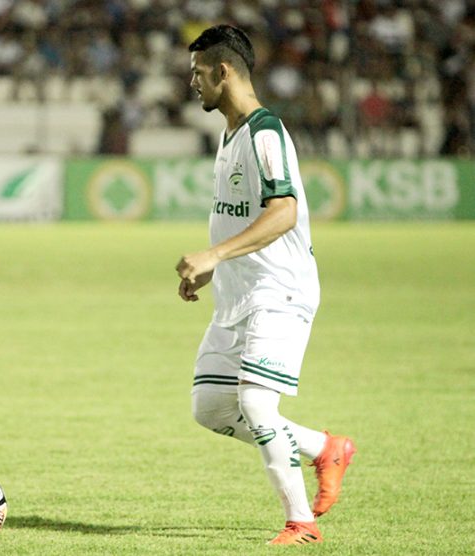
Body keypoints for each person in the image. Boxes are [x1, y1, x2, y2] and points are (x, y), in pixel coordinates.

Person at [174, 25, 356, 546]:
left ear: (223, 70)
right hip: (240, 293)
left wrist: (213, 253)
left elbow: (283, 212)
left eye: (197, 72)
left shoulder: (264, 131)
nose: (192, 82)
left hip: (279, 291)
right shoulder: (231, 134)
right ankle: (326, 448)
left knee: (256, 404)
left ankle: (301, 523)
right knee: (210, 406)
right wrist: (215, 265)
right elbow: (239, 217)